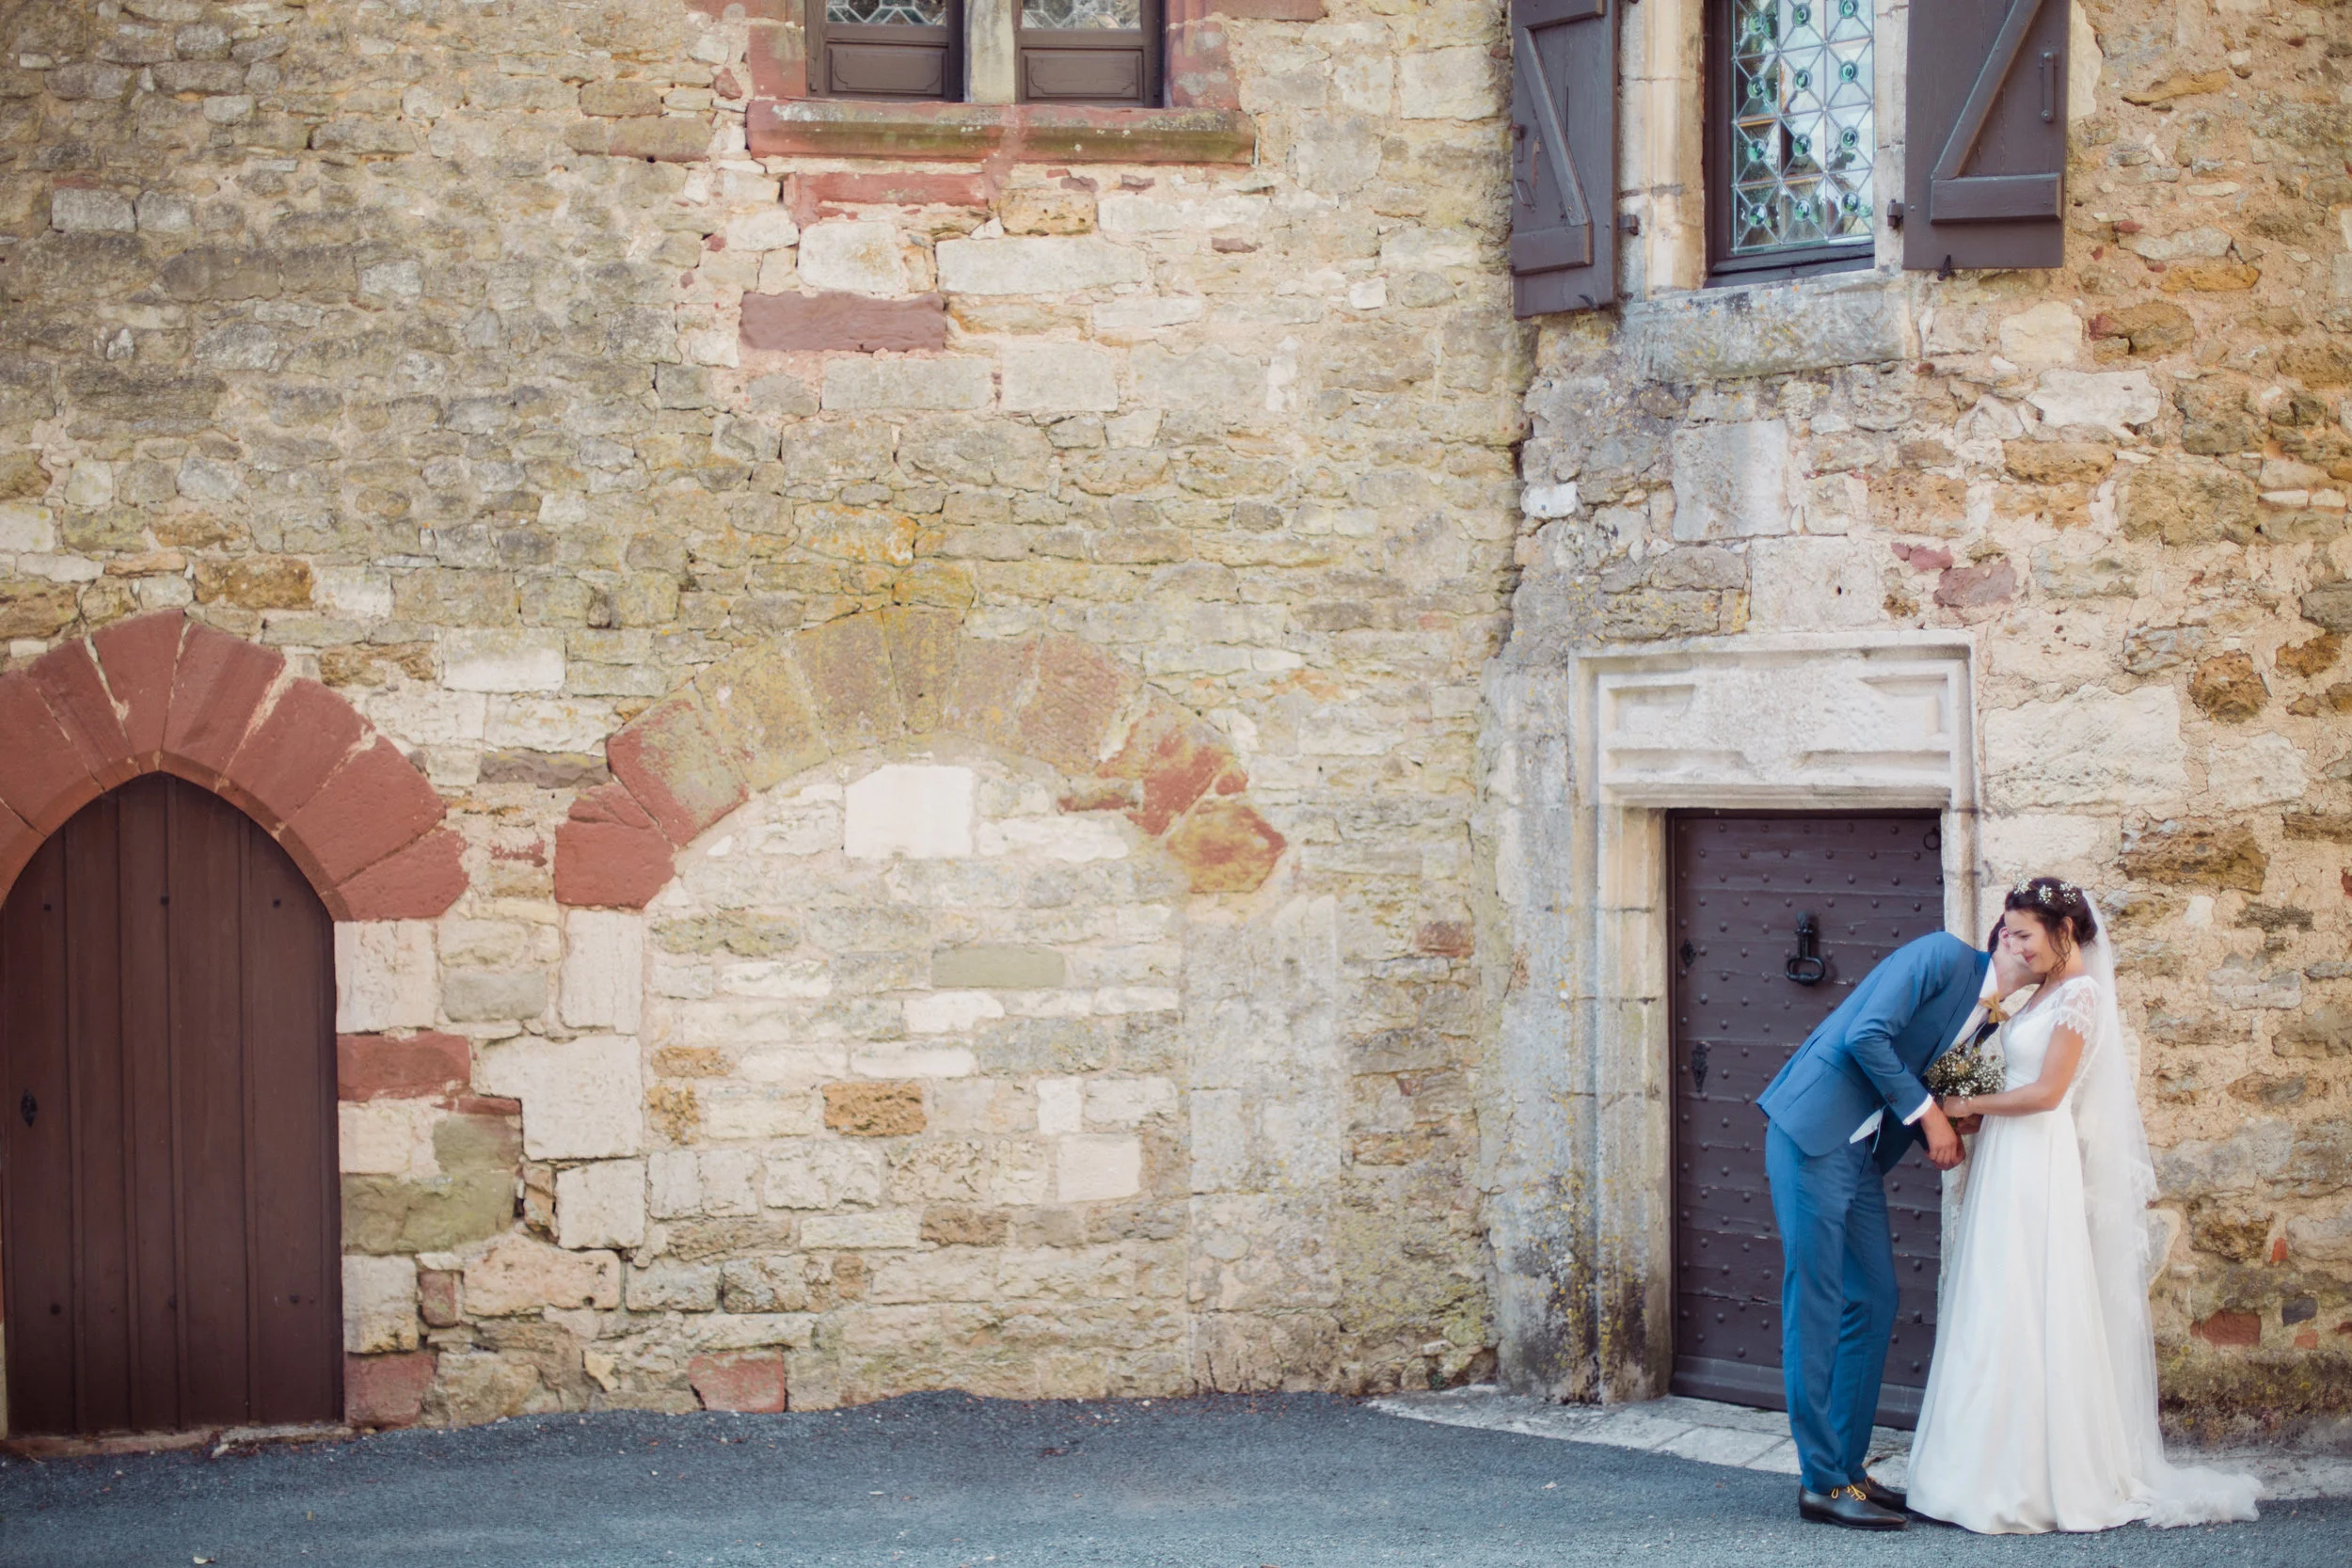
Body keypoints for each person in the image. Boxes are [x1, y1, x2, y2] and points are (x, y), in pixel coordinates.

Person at [1905, 878, 2262, 1533]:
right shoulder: (2033, 992)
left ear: (2063, 932)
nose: (2008, 943)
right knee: (1994, 1295)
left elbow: (2046, 1093)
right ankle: (1971, 1469)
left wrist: (1967, 1105)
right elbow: (1998, 1073)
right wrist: (1973, 1047)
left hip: (2039, 1159)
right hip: (2006, 1160)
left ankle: (2037, 1479)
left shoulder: (2080, 993)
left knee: (2030, 1298)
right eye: (2005, 932)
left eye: (2021, 933)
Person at [1756, 917, 2037, 1530]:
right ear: (2009, 937)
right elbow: (1866, 1034)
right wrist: (1930, 1116)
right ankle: (1820, 1481)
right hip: (1813, 1137)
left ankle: (1848, 1470)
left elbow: (1910, 1068)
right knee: (1818, 1302)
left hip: (1859, 1153)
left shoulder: (1989, 1015)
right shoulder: (1940, 955)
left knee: (1876, 1297)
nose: (2045, 945)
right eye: (2038, 931)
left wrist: (1945, 1120)